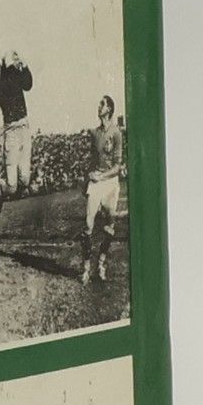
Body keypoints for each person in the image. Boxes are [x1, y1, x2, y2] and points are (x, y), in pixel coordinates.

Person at [83, 92, 127, 285]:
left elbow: (118, 166)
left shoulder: (116, 133)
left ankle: (101, 262)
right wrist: (88, 178)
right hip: (96, 182)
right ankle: (86, 268)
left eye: (102, 104)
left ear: (109, 109)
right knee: (88, 225)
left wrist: (102, 176)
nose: (99, 107)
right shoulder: (94, 133)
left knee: (109, 226)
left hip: (110, 182)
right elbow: (92, 161)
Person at [0, 47, 35, 195]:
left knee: (25, 180)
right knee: (11, 187)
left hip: (24, 127)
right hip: (12, 132)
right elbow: (11, 86)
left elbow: (28, 85)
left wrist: (24, 66)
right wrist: (13, 65)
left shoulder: (9, 72)